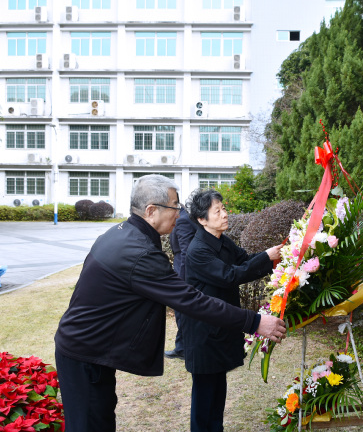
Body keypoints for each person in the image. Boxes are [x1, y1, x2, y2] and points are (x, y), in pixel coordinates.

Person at [54, 175, 286, 432]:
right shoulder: (138, 252)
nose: (180, 213)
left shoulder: (124, 234)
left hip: (89, 348)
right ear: (151, 211)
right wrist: (254, 322)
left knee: (101, 418)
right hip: (84, 351)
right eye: (175, 206)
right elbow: (191, 299)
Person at [181, 189, 283, 432]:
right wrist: (266, 257)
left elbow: (244, 261)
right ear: (202, 219)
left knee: (218, 392)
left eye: (224, 208)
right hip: (203, 332)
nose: (225, 214)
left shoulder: (221, 240)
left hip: (221, 325)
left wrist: (274, 259)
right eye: (217, 211)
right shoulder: (198, 250)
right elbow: (229, 276)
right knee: (205, 396)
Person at [164, 206, 198, 360]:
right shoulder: (185, 217)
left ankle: (184, 349)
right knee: (182, 310)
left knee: (181, 310)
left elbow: (186, 252)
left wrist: (182, 279)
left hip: (182, 269)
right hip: (181, 267)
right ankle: (181, 346)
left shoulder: (182, 220)